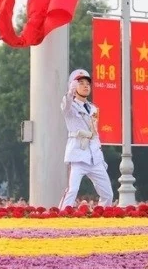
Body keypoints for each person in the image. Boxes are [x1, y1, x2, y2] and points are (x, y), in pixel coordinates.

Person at [58, 69, 113, 210]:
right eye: (81, 83)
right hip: (77, 154)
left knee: (108, 193)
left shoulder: (94, 108)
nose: (85, 86)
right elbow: (65, 106)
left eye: (88, 83)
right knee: (72, 190)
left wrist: (100, 155)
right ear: (74, 86)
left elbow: (95, 133)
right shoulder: (70, 106)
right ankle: (62, 216)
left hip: (94, 156)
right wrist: (70, 92)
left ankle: (102, 217)